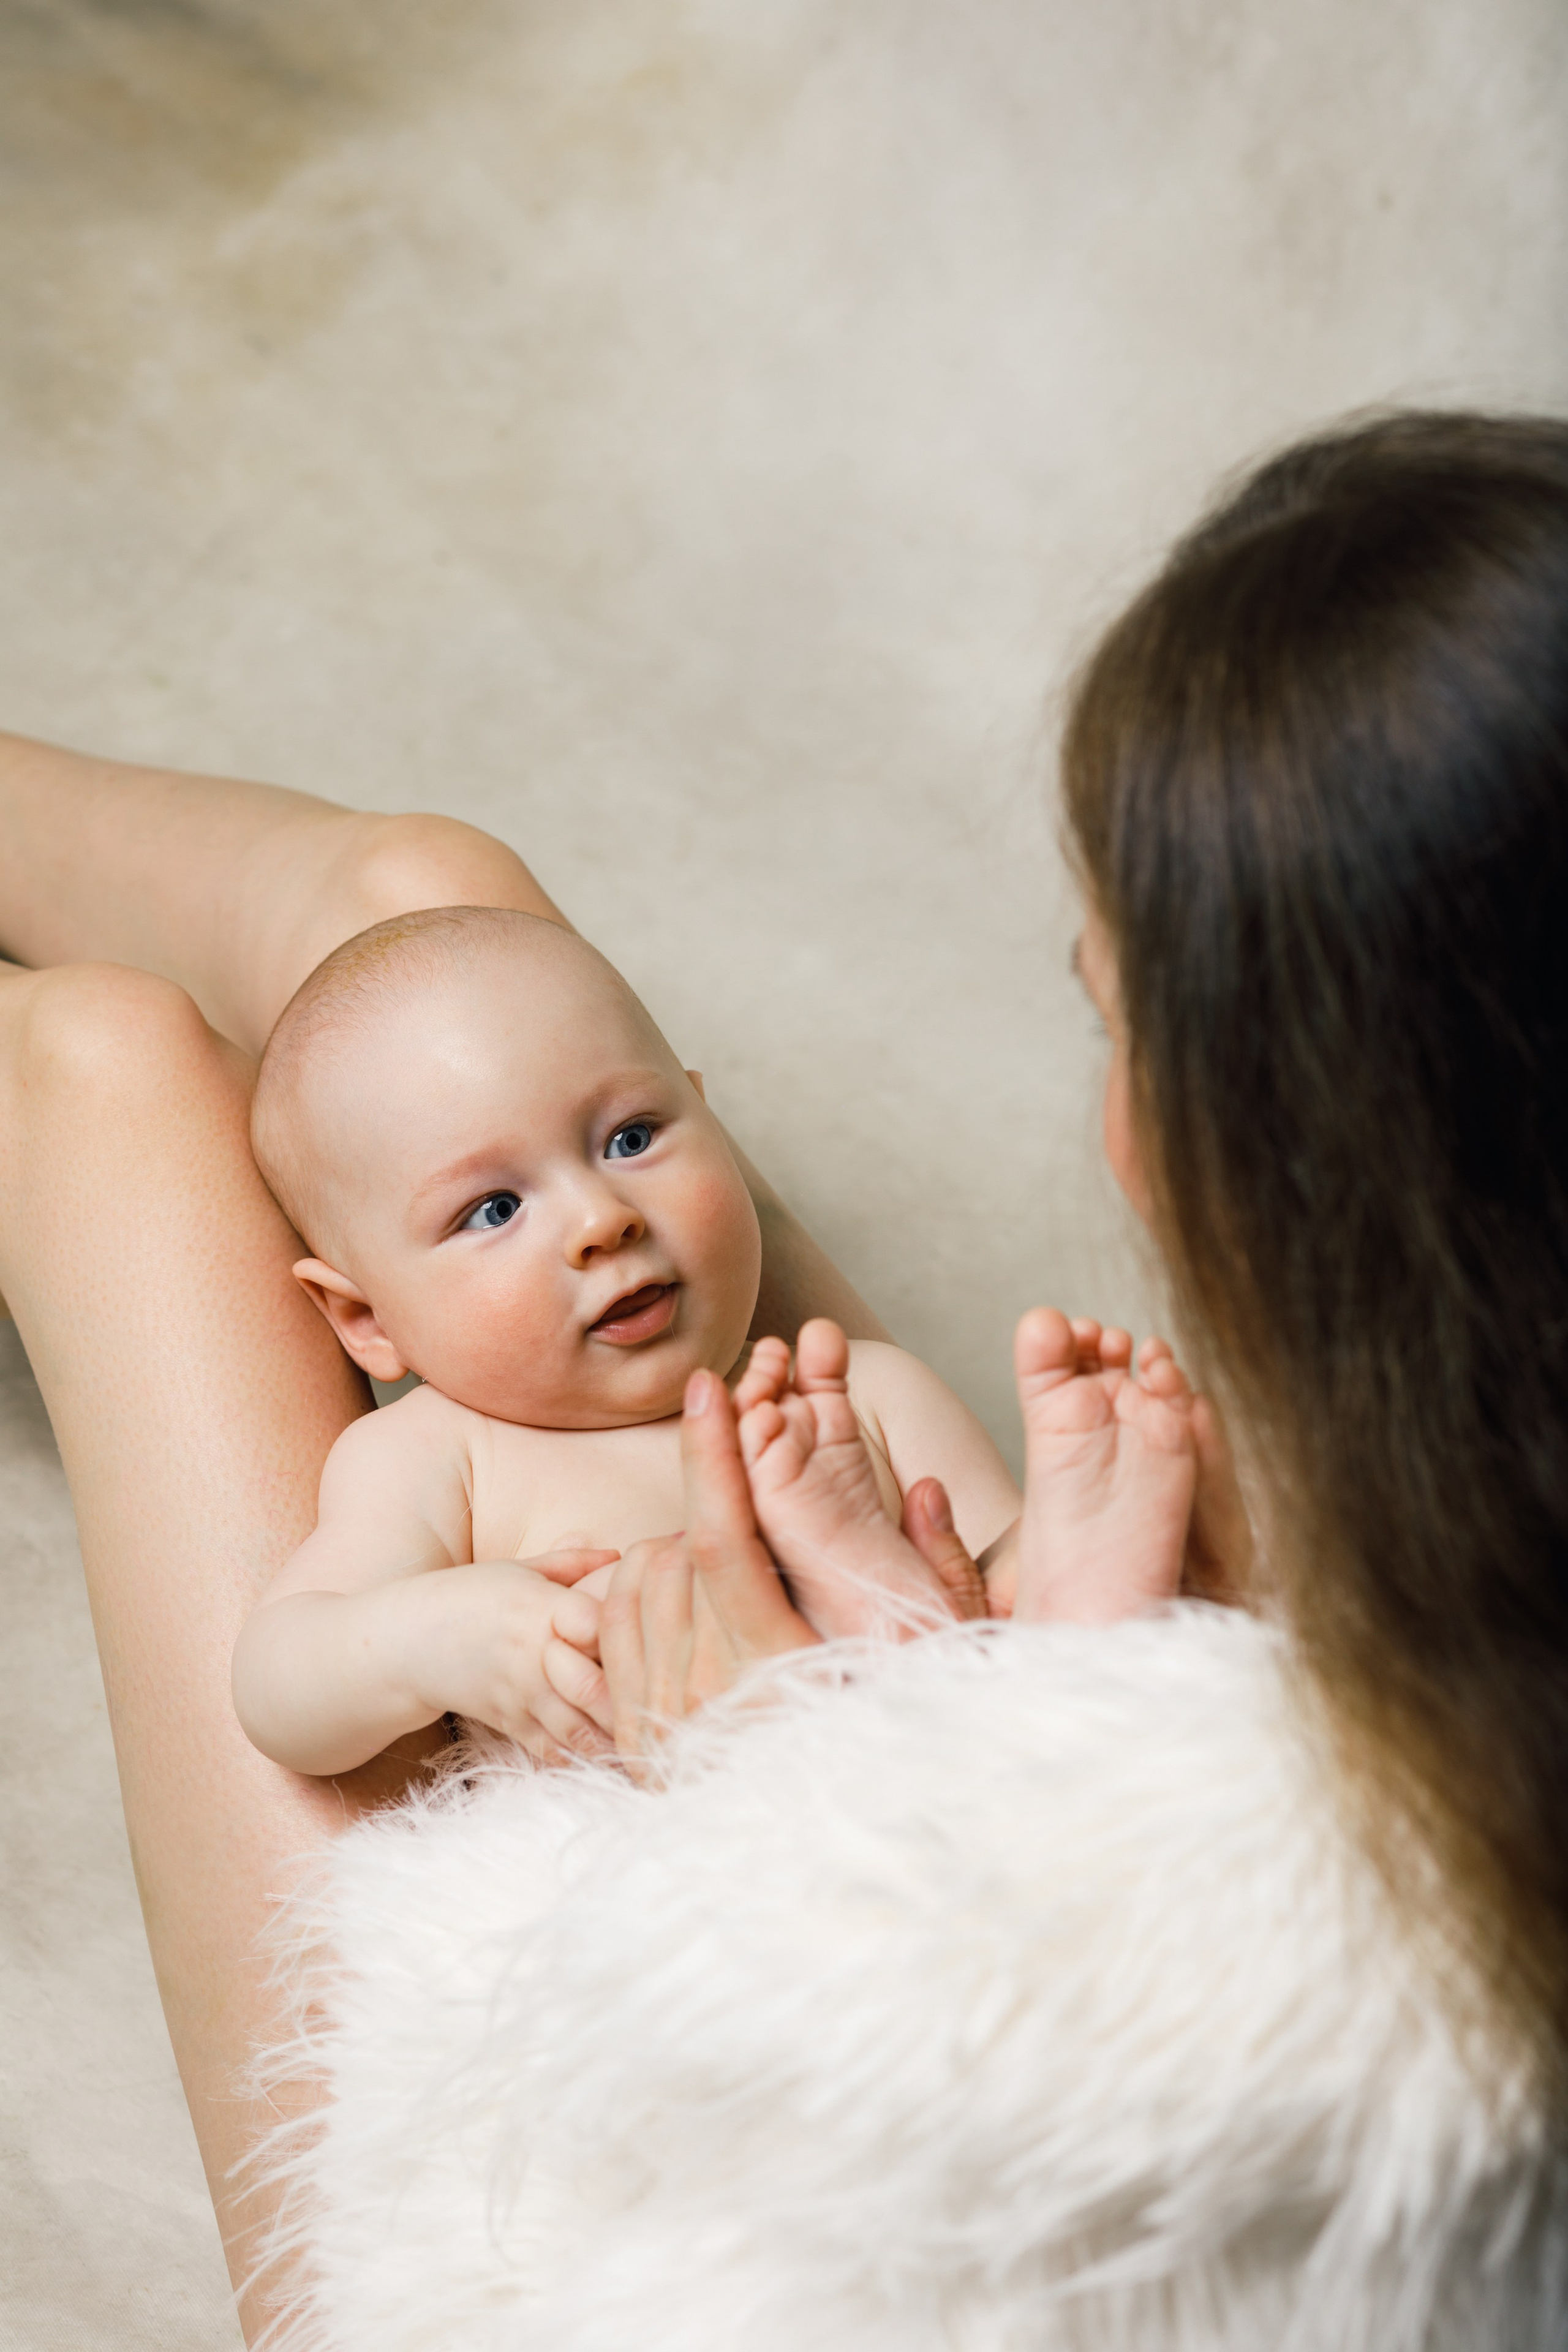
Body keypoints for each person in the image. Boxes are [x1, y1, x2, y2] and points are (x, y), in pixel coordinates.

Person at [0, 406, 1555, 2344]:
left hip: (545, 2191)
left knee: (103, 1080)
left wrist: (781, 1769)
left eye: (1117, 1015)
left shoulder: (1360, 1914)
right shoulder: (1449, 1533)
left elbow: (926, 2169)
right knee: (428, 895)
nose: (1121, 1129)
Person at [230, 903, 1026, 1774]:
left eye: (630, 1138)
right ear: (367, 1321)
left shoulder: (865, 1397)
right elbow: (279, 1687)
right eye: (494, 1209)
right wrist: (438, 1638)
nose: (601, 1222)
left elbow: (1048, 1629)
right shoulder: (439, 1457)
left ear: (715, 1128)